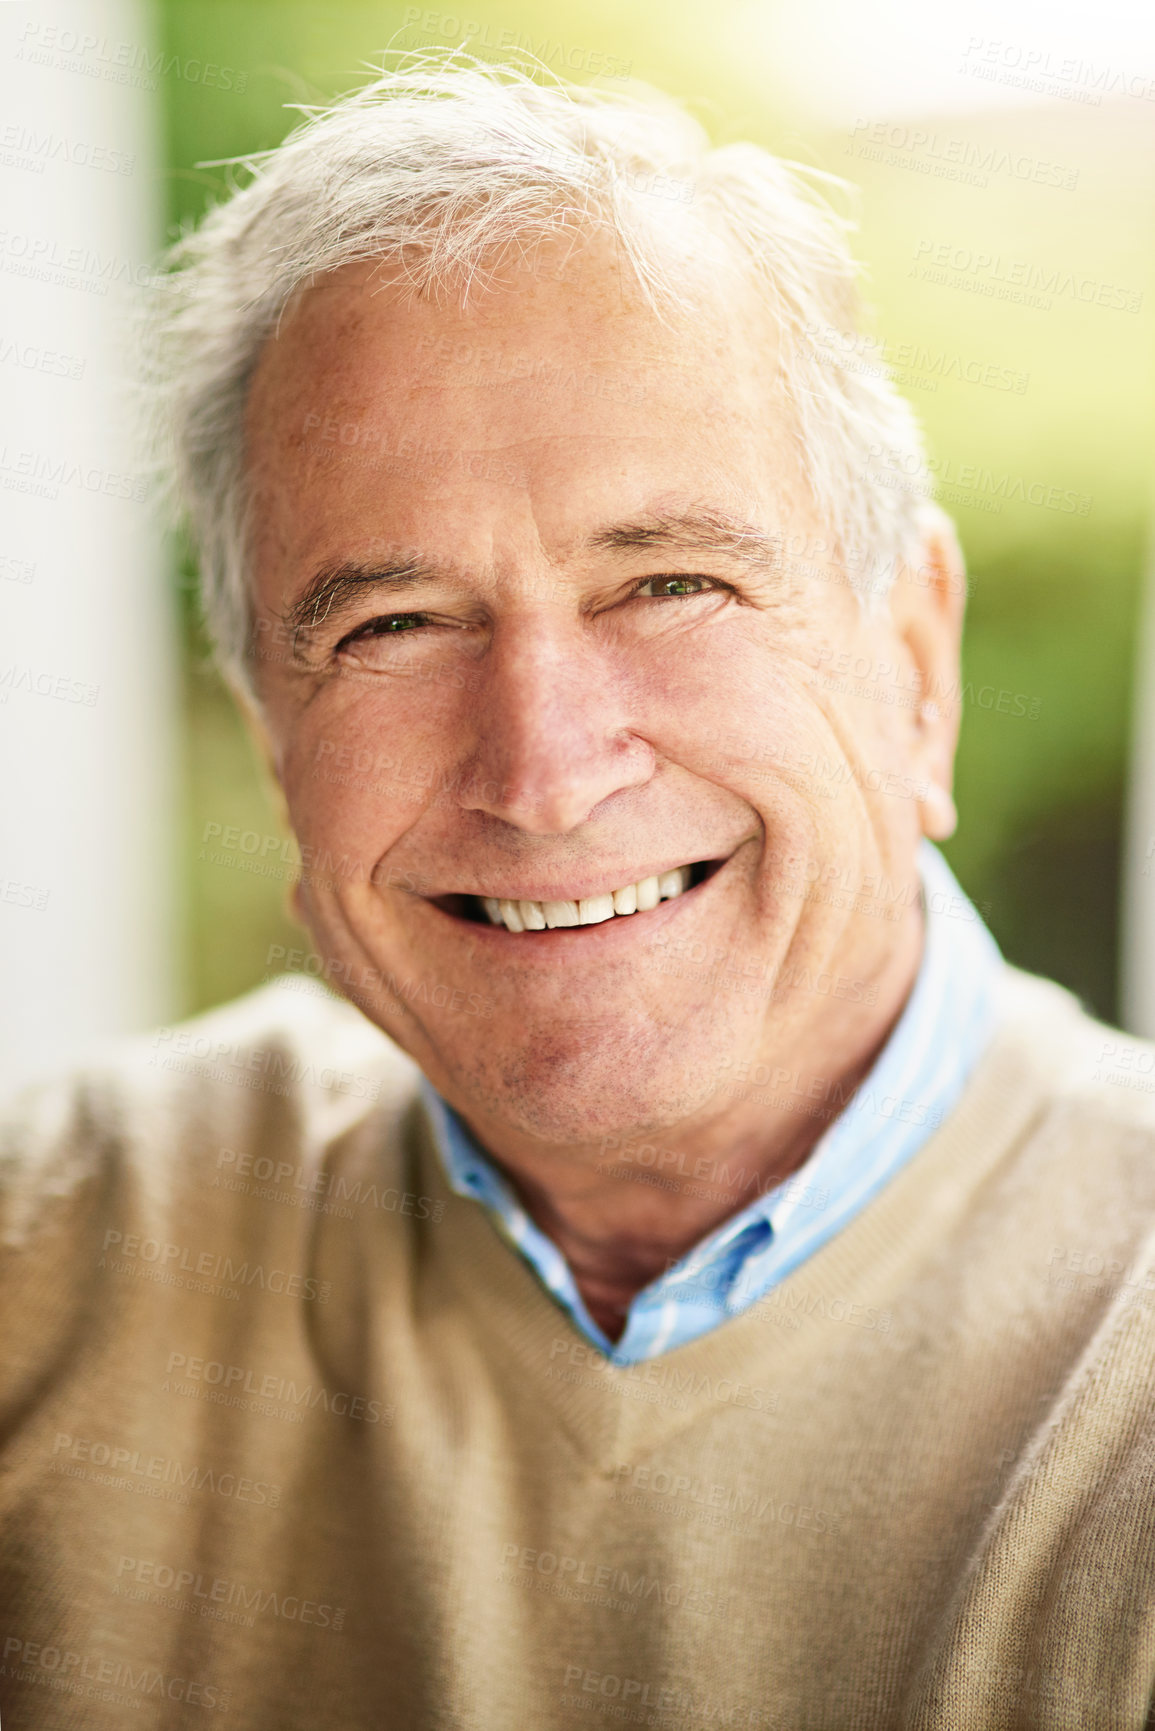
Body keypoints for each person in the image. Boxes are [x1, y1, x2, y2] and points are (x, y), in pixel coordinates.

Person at [3, 57, 1153, 1730]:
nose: (541, 770)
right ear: (273, 742)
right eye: (390, 626)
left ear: (915, 663)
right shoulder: (56, 1251)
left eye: (670, 582)